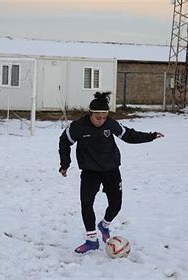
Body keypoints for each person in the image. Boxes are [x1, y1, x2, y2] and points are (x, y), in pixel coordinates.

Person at [58, 92, 164, 254]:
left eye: (104, 117)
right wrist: (65, 164)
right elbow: (64, 142)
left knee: (116, 205)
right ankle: (91, 240)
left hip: (111, 169)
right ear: (91, 114)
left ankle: (104, 225)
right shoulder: (78, 127)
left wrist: (150, 136)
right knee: (87, 204)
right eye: (98, 117)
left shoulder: (110, 124)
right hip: (90, 171)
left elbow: (129, 135)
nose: (101, 121)